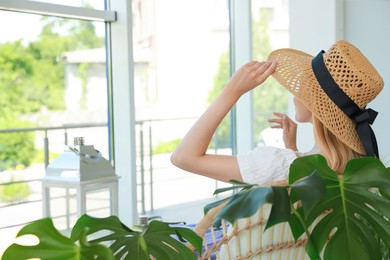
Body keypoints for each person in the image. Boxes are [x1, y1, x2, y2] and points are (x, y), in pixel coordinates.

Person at [170, 40, 384, 186]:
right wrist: (292, 149)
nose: (294, 94)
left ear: (314, 103)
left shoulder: (276, 164)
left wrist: (232, 91)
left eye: (299, 87)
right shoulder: (360, 166)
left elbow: (183, 157)